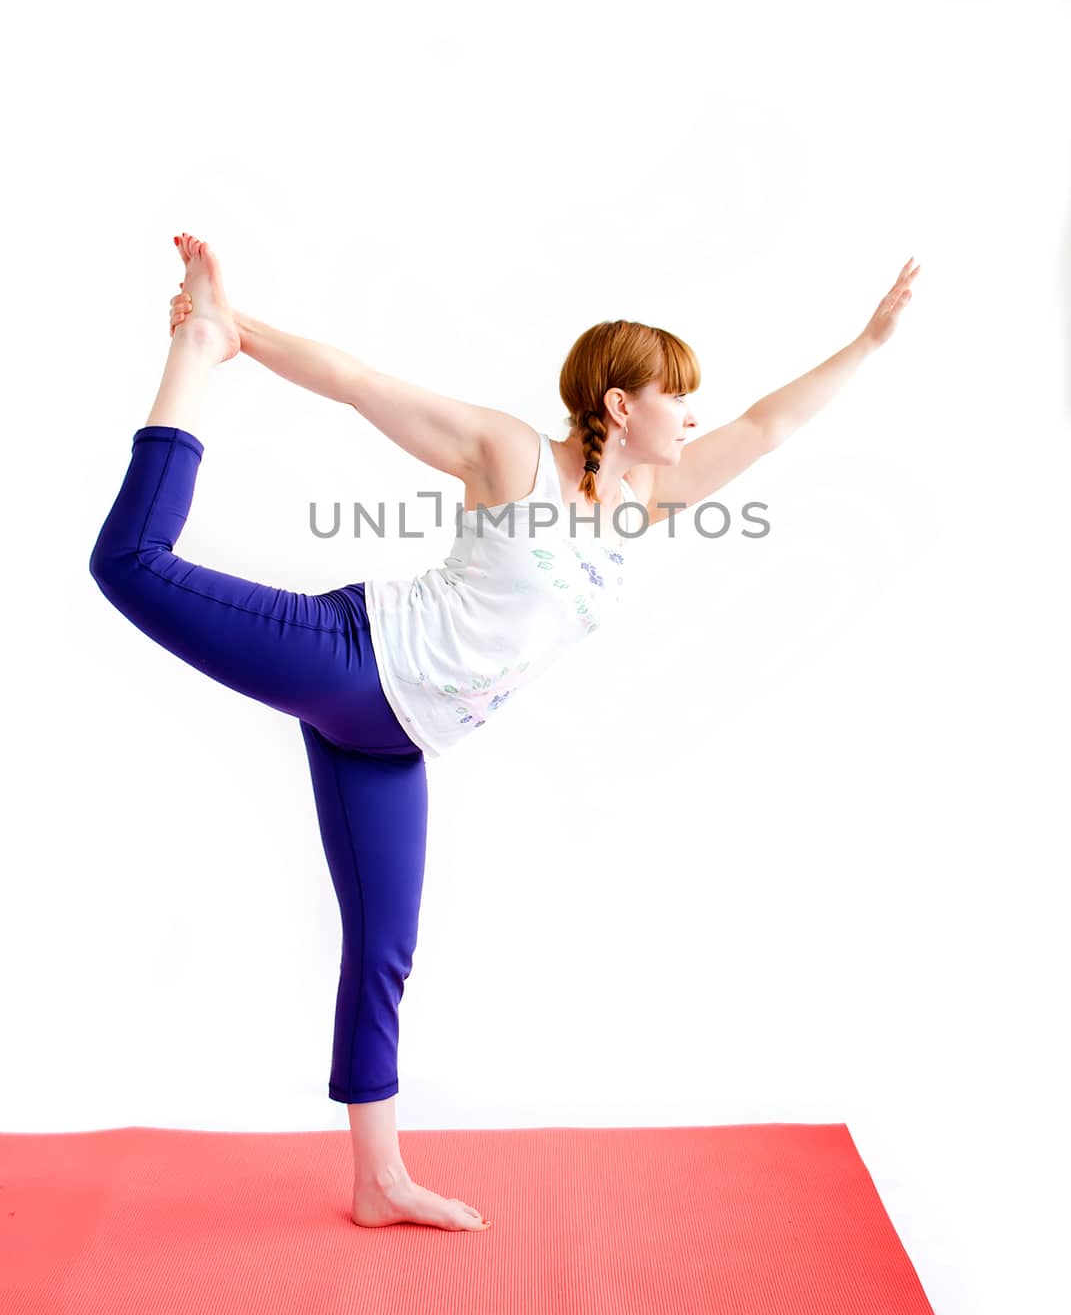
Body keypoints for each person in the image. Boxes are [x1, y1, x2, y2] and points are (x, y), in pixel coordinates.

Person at [89, 232, 920, 1233]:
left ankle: (378, 1178)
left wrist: (869, 342)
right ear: (620, 404)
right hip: (352, 654)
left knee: (385, 946)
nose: (694, 411)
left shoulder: (643, 503)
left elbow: (768, 424)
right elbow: (361, 382)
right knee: (131, 562)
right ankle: (193, 355)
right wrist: (234, 333)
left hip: (393, 738)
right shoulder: (511, 454)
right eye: (676, 392)